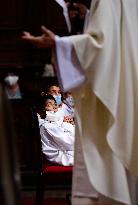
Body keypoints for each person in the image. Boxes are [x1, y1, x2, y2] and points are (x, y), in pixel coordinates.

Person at [22, 0, 138, 204]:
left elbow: (100, 47)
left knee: (109, 168)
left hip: (112, 94)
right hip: (127, 87)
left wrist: (59, 44)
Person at [37, 95, 75, 166]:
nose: (54, 107)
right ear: (41, 110)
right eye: (49, 105)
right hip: (63, 156)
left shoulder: (57, 122)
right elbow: (71, 143)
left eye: (55, 104)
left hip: (68, 150)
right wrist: (68, 125)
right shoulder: (48, 126)